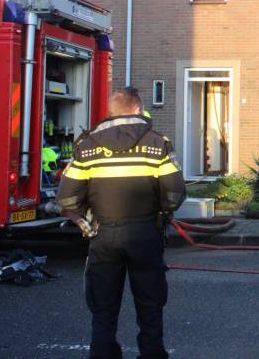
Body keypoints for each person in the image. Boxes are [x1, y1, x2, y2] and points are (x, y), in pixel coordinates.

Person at [57, 87, 186, 359]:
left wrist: (86, 219)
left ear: (111, 111)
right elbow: (175, 194)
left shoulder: (87, 146)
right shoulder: (157, 143)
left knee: (103, 308)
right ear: (138, 109)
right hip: (145, 234)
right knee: (150, 304)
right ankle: (151, 354)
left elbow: (67, 198)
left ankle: (103, 354)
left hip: (103, 234)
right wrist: (162, 214)